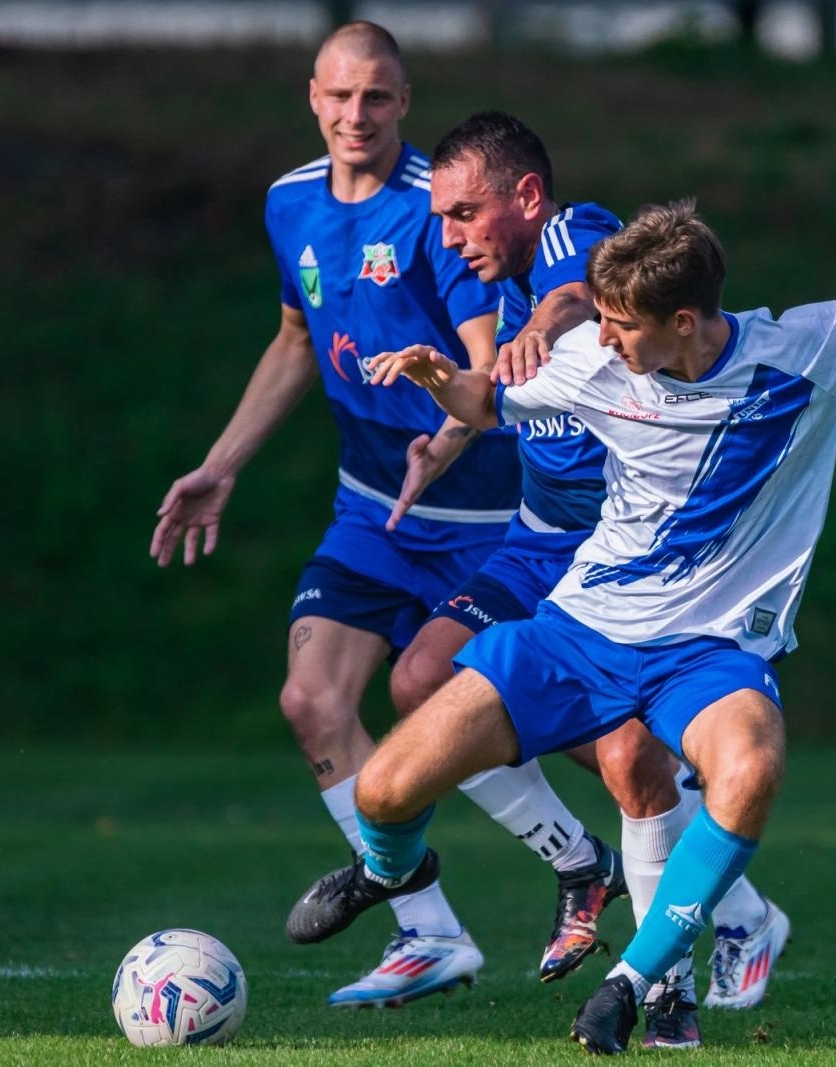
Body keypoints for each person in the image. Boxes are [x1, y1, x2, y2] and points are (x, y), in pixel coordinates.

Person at [286, 134, 836, 1052]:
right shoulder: (599, 363)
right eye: (597, 319)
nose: (599, 338)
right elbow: (489, 406)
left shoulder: (803, 351)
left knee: (746, 767)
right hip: (581, 628)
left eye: (618, 323)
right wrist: (441, 377)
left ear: (684, 320)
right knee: (388, 791)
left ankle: (639, 983)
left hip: (712, 648)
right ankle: (394, 874)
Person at [149, 22, 616, 1009]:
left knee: (576, 725)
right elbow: (293, 334)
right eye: (338, 96)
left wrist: (448, 429)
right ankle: (428, 931)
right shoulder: (289, 204)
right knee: (313, 699)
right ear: (310, 96)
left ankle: (699, 880)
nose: (355, 115)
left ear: (405, 103)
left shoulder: (436, 212)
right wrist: (222, 463)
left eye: (377, 98)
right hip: (371, 508)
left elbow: (493, 364)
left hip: (489, 514)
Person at [379, 110, 788, 1047]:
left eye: (464, 213)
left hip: (611, 555)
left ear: (525, 197)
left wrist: (549, 321)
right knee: (421, 679)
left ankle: (706, 939)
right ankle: (582, 866)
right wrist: (445, 437)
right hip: (540, 541)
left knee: (630, 758)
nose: (451, 236)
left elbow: (577, 299)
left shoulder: (576, 238)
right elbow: (505, 396)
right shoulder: (504, 277)